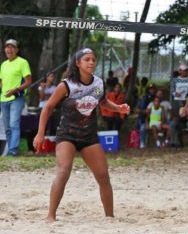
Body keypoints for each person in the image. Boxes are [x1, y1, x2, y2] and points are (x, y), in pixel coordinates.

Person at [33, 48, 130, 222]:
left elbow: (102, 102)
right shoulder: (67, 85)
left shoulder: (98, 83)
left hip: (88, 136)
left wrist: (118, 108)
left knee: (103, 175)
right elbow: (47, 108)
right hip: (67, 135)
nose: (91, 62)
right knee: (64, 171)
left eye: (93, 59)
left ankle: (110, 217)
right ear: (78, 63)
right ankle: (51, 216)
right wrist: (40, 134)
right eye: (87, 59)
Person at [0, 39, 32, 156]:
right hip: (3, 99)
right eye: (7, 47)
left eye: (12, 47)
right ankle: (10, 150)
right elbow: (2, 81)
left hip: (16, 98)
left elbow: (28, 81)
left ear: (17, 50)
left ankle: (13, 150)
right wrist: (3, 89)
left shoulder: (22, 62)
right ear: (5, 50)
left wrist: (15, 90)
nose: (9, 49)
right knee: (7, 127)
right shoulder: (3, 64)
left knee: (14, 124)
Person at [169, 64, 188, 146]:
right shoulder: (175, 80)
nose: (186, 72)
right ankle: (174, 142)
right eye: (184, 70)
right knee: (174, 122)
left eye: (186, 70)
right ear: (180, 71)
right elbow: (172, 90)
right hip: (178, 102)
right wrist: (175, 93)